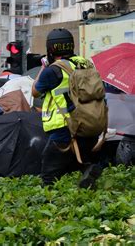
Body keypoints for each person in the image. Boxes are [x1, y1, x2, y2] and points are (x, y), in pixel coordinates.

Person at [31, 28, 102, 188]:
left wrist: (44, 66)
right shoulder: (86, 64)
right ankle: (87, 169)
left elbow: (35, 92)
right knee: (72, 160)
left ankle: (48, 204)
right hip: (90, 123)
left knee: (49, 172)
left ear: (50, 49)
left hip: (64, 127)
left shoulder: (53, 70)